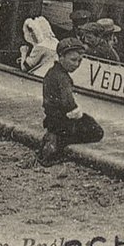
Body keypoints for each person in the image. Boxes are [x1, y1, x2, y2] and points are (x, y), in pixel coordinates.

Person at [37, 38, 105, 166]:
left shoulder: (52, 72)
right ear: (61, 57)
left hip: (52, 119)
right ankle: (59, 140)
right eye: (73, 60)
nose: (76, 64)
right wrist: (78, 114)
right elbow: (68, 103)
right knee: (96, 131)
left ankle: (54, 136)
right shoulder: (63, 78)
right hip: (63, 121)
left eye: (79, 61)